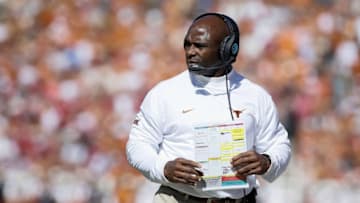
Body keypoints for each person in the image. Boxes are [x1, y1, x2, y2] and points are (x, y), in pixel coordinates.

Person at [126, 12, 291, 203]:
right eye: (187, 44)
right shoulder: (163, 93)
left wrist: (267, 162)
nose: (190, 51)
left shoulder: (256, 96)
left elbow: (279, 144)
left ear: (227, 49)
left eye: (199, 46)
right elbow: (137, 145)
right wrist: (163, 168)